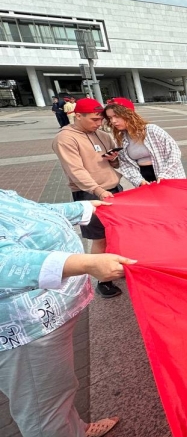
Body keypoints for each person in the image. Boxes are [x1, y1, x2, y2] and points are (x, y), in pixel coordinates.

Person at [0, 189, 135, 437]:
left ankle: (73, 432)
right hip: (23, 329)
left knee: (56, 387)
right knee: (42, 403)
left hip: (43, 320)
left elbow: (31, 214)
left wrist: (84, 208)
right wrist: (82, 263)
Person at [52, 98, 124, 298]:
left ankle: (116, 267)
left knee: (117, 233)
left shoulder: (103, 135)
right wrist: (97, 190)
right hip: (89, 193)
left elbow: (116, 164)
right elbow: (75, 170)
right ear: (78, 116)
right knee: (99, 237)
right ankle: (103, 281)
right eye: (94, 119)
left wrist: (114, 159)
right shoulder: (65, 138)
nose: (99, 124)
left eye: (101, 119)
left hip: (113, 189)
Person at [103, 97, 185, 186]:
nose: (113, 121)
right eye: (110, 118)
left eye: (117, 116)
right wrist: (139, 181)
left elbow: (174, 153)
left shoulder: (152, 130)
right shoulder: (121, 138)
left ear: (129, 114)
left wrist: (165, 175)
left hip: (169, 177)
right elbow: (126, 164)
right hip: (144, 179)